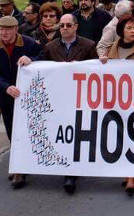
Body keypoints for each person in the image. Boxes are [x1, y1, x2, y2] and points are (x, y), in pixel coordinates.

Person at [40, 14, 98, 193]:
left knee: (76, 133)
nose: (64, 28)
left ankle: (71, 173)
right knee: (63, 133)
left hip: (80, 97)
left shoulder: (88, 45)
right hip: (58, 98)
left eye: (68, 25)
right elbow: (43, 69)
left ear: (76, 26)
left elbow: (96, 69)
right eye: (62, 25)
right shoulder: (50, 47)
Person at [99, 16, 134, 196]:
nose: (133, 31)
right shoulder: (111, 49)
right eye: (129, 28)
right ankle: (126, 171)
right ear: (121, 30)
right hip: (117, 100)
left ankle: (132, 176)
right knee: (120, 135)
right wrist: (102, 63)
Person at [0, 16, 41, 189]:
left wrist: (32, 59)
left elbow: (43, 56)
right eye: (1, 29)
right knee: (11, 130)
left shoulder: (29, 43)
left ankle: (26, 163)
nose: (4, 33)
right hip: (7, 96)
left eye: (8, 29)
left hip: (28, 95)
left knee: (28, 129)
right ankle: (18, 166)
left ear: (16, 29)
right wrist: (6, 87)